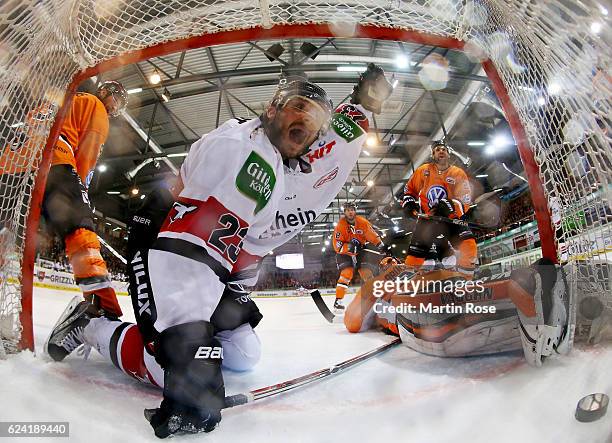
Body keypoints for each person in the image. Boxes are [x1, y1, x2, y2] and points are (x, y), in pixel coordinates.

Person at [45, 65, 393, 438]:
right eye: (297, 107)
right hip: (161, 239)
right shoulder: (246, 155)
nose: (306, 121)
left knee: (244, 357)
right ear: (272, 109)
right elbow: (187, 252)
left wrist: (364, 102)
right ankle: (91, 326)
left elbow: (351, 122)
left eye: (316, 119)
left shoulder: (318, 151)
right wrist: (191, 346)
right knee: (166, 368)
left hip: (218, 262)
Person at [401, 140, 477, 278]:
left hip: (451, 219)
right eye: (437, 150)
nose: (441, 151)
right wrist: (409, 204)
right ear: (433, 155)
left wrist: (450, 206)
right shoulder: (423, 171)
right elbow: (409, 190)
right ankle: (407, 285)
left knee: (469, 245)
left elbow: (465, 198)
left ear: (448, 154)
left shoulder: (457, 173)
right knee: (415, 258)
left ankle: (466, 281)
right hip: (427, 219)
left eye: (444, 149)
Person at [332, 202, 386, 313]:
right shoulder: (340, 226)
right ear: (344, 212)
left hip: (360, 249)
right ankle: (338, 301)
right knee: (347, 273)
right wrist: (350, 248)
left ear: (355, 211)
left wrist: (381, 245)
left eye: (352, 209)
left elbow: (371, 234)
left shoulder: (362, 222)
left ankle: (374, 299)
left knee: (366, 272)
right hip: (345, 252)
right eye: (347, 210)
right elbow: (337, 246)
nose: (350, 212)